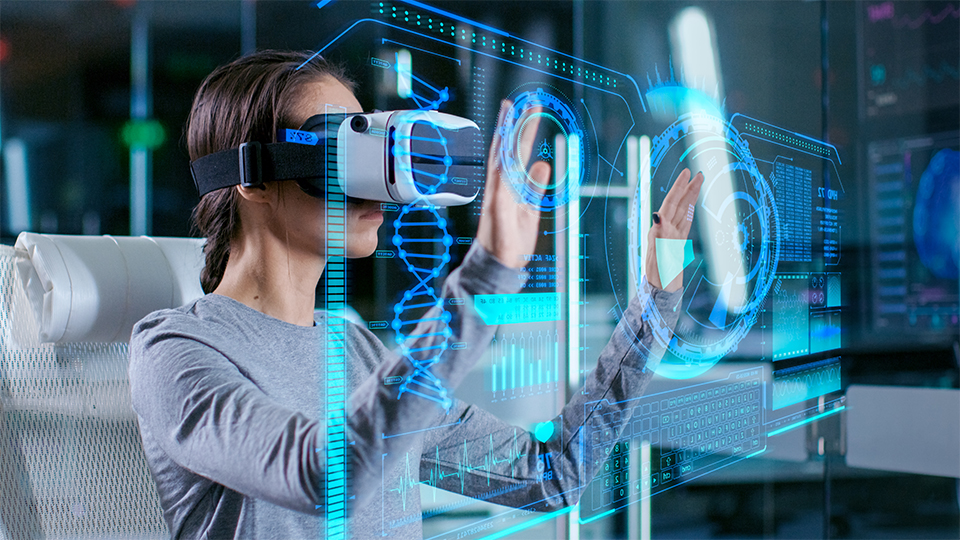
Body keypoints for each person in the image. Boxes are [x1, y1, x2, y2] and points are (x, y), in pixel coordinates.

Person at [129, 50, 703, 540]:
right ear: (252, 178)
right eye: (345, 148)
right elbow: (321, 477)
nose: (378, 180)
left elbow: (551, 474)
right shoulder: (176, 350)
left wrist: (656, 301)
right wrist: (485, 278)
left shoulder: (354, 348)